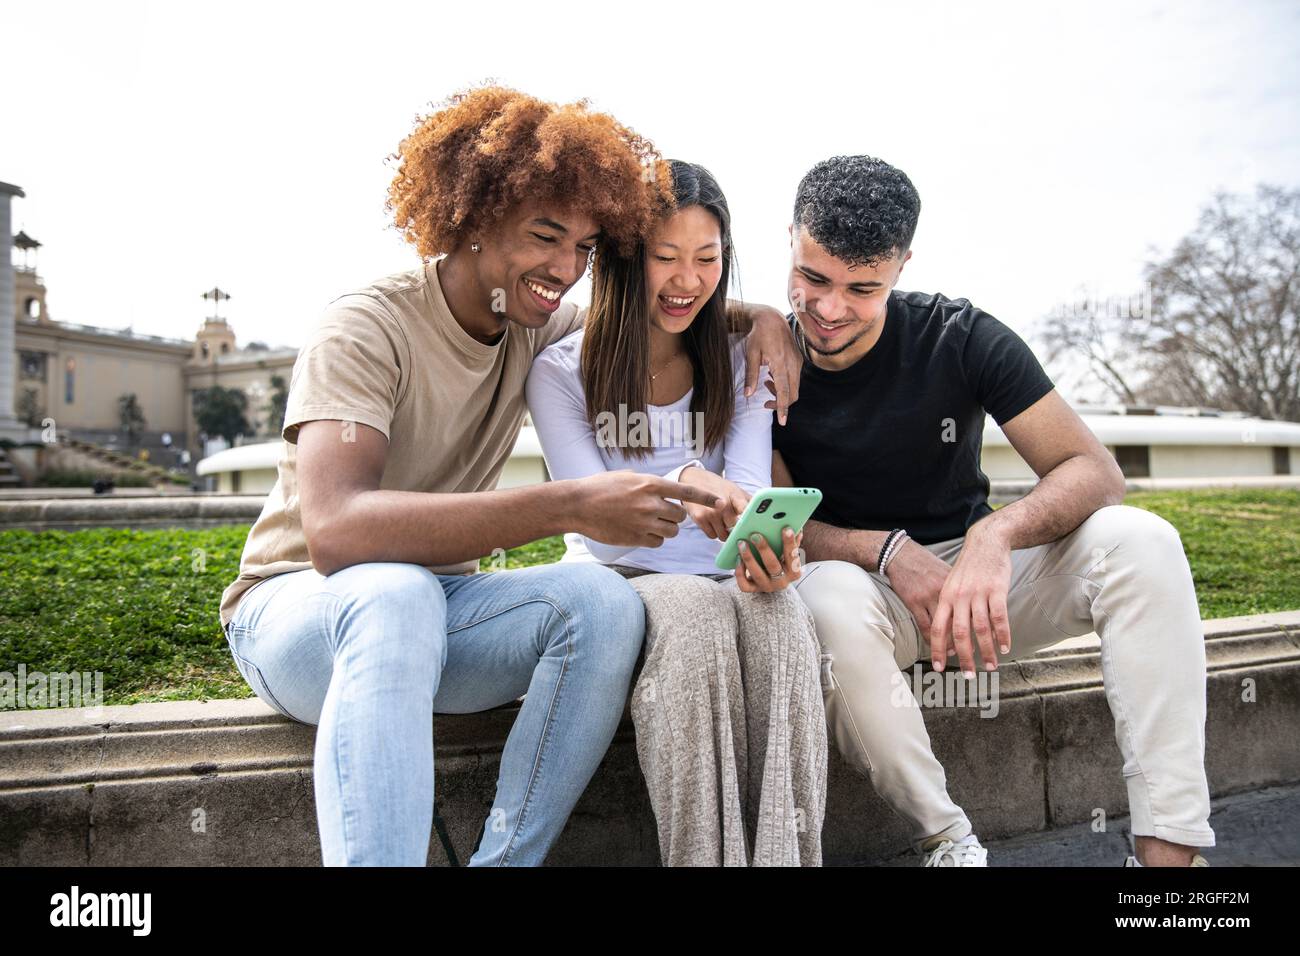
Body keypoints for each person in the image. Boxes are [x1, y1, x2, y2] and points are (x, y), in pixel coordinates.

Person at [216, 87, 799, 866]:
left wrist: (765, 320)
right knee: (394, 592)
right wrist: (571, 504)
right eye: (546, 237)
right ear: (473, 220)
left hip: (442, 609)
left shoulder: (535, 319)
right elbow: (336, 532)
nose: (566, 270)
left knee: (600, 601)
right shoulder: (366, 325)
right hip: (301, 612)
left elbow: (671, 301)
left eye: (585, 249)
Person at [774, 155, 1214, 867]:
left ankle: (1167, 861)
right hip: (858, 589)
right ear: (790, 237)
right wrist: (883, 550)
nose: (828, 310)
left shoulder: (962, 335)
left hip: (983, 593)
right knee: (825, 596)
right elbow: (776, 518)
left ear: (902, 266)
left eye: (863, 288)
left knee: (1143, 542)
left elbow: (1094, 471)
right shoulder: (760, 357)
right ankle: (949, 842)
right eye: (813, 278)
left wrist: (995, 534)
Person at [526, 160, 826, 866]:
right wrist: (691, 477)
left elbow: (748, 493)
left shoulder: (738, 360)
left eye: (707, 258)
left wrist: (761, 552)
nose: (688, 280)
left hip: (721, 581)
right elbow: (603, 532)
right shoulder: (563, 372)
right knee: (694, 621)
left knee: (783, 620)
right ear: (628, 260)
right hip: (620, 579)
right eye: (666, 258)